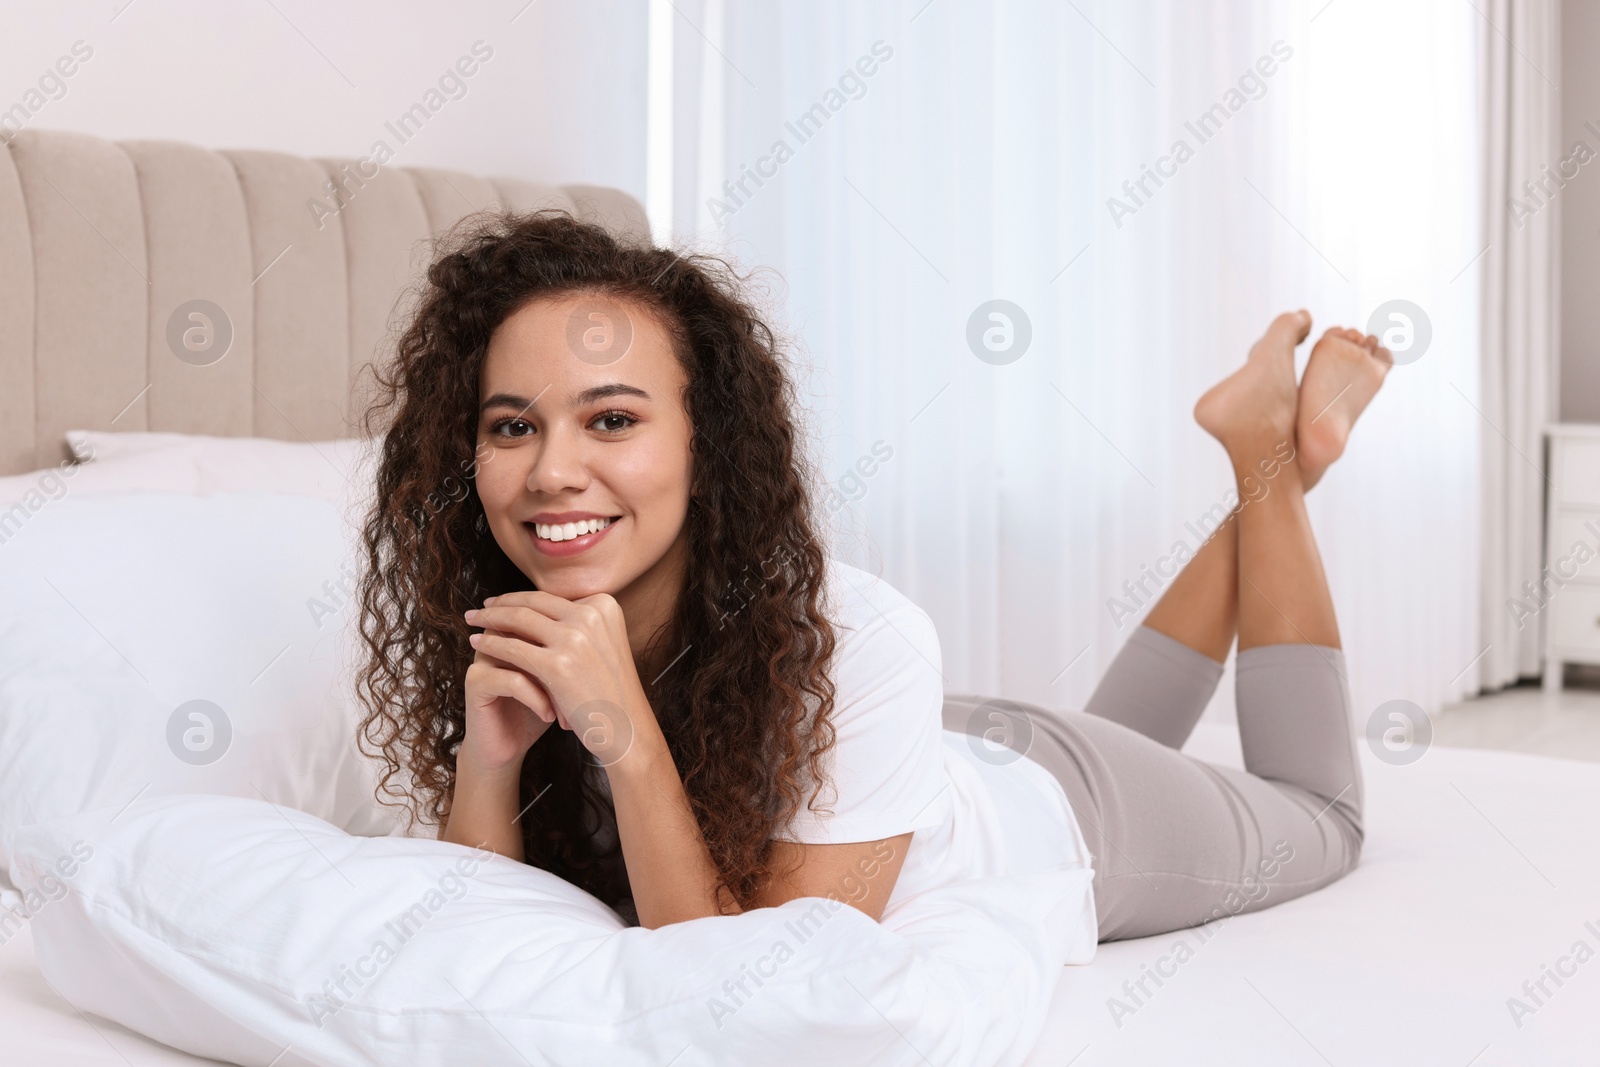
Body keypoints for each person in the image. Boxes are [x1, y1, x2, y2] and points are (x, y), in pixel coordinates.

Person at [352, 210, 1386, 940]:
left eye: (611, 418)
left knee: (1321, 817)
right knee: (1133, 725)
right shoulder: (520, 626)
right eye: (510, 426)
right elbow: (479, 946)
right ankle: (1271, 457)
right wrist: (487, 765)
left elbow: (746, 985)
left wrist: (622, 733)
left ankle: (1266, 459)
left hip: (1061, 815)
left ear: (705, 441)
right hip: (930, 755)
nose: (551, 471)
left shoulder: (854, 633)